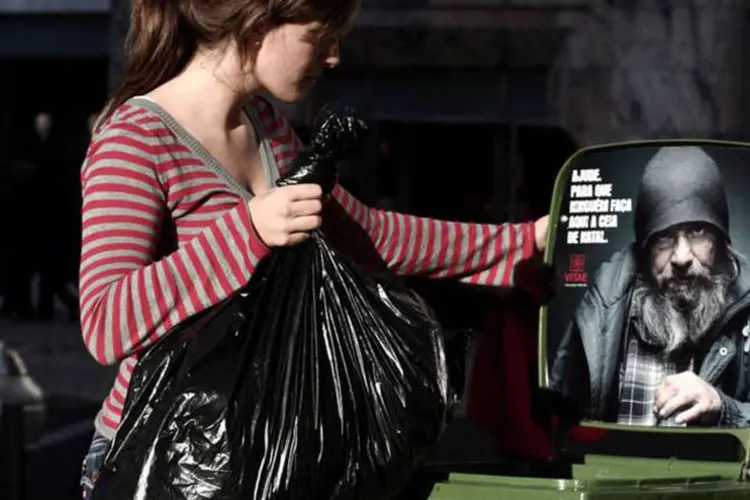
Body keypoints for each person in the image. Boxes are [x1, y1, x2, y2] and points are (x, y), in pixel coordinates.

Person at [77, 0, 549, 497]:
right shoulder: (136, 139)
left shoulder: (267, 130)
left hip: (266, 456)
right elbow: (106, 321)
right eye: (321, 35)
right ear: (260, 23)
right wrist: (249, 230)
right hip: (159, 460)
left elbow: (372, 237)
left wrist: (523, 245)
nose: (333, 57)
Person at [550, 146, 750, 428]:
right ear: (644, 248)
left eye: (697, 231)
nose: (681, 257)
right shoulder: (604, 307)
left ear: (720, 240)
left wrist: (724, 410)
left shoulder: (747, 308)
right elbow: (556, 425)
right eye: (664, 238)